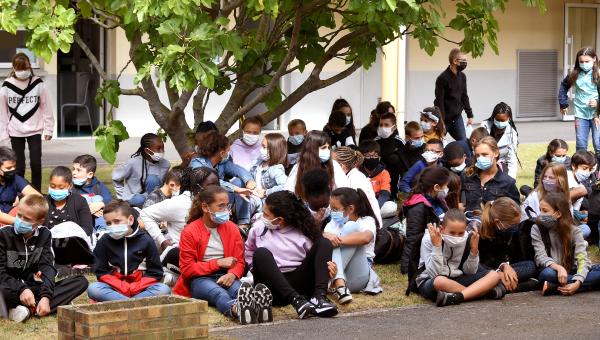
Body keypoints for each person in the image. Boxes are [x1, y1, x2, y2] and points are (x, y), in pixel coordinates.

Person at [173, 186, 271, 324]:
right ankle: (237, 310)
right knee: (219, 294)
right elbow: (187, 269)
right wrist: (218, 263)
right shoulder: (190, 231)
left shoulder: (231, 228)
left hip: (226, 274)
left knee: (239, 290)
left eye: (227, 206)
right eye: (221, 206)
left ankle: (256, 307)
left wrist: (232, 274)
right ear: (205, 207)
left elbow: (239, 261)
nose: (227, 211)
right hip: (199, 279)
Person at [246, 191, 338, 319]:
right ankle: (297, 301)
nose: (262, 217)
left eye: (266, 214)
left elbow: (315, 262)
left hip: (298, 281)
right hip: (272, 287)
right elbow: (249, 252)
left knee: (324, 243)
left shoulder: (304, 230)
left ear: (280, 220)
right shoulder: (258, 228)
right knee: (261, 253)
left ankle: (320, 298)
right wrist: (256, 269)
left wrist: (329, 273)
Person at [0, 195, 88, 323]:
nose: (20, 220)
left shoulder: (45, 235)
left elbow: (47, 267)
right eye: (19, 215)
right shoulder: (3, 235)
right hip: (9, 287)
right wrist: (21, 289)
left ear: (40, 221)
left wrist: (46, 296)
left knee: (80, 282)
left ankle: (28, 311)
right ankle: (55, 303)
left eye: (26, 219)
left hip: (32, 286)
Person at [140, 167, 220, 285]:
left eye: (217, 184)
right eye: (211, 185)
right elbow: (145, 214)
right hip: (184, 255)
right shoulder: (180, 204)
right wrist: (162, 241)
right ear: (197, 187)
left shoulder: (219, 202)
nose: (216, 189)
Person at [416, 209, 505, 307]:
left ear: (465, 229)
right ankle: (481, 293)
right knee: (440, 281)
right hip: (431, 281)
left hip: (456, 279)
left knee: (494, 275)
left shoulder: (467, 238)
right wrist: (437, 247)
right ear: (442, 229)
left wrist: (473, 251)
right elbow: (434, 274)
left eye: (460, 233)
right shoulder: (429, 239)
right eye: (452, 232)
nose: (457, 237)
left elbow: (470, 272)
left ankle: (457, 297)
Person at [87, 201, 170, 302]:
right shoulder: (104, 241)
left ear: (130, 220)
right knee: (93, 289)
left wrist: (136, 287)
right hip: (114, 288)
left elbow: (155, 272)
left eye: (117, 221)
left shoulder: (146, 240)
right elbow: (101, 271)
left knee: (163, 290)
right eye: (108, 223)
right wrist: (121, 286)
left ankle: (122, 303)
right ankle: (133, 304)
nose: (112, 226)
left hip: (140, 288)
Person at [0, 53, 54, 191]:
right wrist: (4, 136)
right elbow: (2, 114)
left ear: (29, 66)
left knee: (36, 163)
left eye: (24, 67)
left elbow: (46, 106)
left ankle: (36, 193)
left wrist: (49, 128)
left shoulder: (38, 83)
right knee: (19, 166)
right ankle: (18, 193)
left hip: (35, 130)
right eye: (19, 68)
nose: (22, 71)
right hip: (15, 131)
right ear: (13, 68)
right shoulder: (6, 86)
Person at [533, 192, 600, 296]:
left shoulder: (574, 231)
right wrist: (559, 268)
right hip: (552, 271)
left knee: (592, 269)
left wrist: (578, 282)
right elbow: (540, 257)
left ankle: (555, 287)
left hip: (572, 271)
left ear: (558, 214)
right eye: (540, 210)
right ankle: (588, 284)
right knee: (547, 274)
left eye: (545, 211)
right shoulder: (536, 228)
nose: (541, 214)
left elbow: (582, 259)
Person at [324, 188, 381, 304]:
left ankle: (333, 283)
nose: (332, 213)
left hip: (359, 274)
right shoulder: (332, 224)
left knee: (351, 227)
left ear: (350, 208)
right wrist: (324, 235)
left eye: (336, 209)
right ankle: (340, 287)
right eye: (331, 209)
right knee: (330, 240)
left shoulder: (366, 221)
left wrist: (335, 240)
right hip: (335, 271)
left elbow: (366, 238)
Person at [190, 131, 256, 228]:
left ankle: (243, 223)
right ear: (222, 153)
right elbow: (211, 183)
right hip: (201, 199)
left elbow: (238, 170)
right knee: (236, 187)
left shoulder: (222, 163)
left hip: (219, 197)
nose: (229, 153)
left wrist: (249, 180)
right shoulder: (197, 163)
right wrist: (235, 189)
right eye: (228, 150)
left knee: (239, 182)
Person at [478, 198, 538, 292]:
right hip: (482, 271)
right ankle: (504, 286)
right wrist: (498, 272)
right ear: (498, 222)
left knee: (530, 266)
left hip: (499, 269)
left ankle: (499, 286)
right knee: (532, 282)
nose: (516, 228)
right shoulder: (478, 231)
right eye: (513, 225)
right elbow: (476, 264)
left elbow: (500, 259)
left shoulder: (504, 231)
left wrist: (504, 266)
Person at [400, 167, 450, 276]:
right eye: (446, 186)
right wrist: (407, 267)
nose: (447, 189)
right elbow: (412, 238)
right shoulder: (418, 206)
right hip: (426, 251)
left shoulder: (439, 200)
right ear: (436, 187)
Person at [559, 46, 600, 158]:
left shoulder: (598, 74)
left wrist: (597, 102)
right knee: (581, 145)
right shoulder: (575, 74)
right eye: (581, 61)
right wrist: (563, 103)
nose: (584, 64)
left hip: (597, 115)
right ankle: (581, 171)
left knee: (598, 145)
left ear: (594, 59)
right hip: (581, 114)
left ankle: (598, 171)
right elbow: (564, 86)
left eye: (587, 61)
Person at [112, 133, 171, 208]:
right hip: (135, 198)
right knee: (140, 199)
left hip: (155, 198)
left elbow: (163, 185)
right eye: (158, 148)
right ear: (147, 151)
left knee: (153, 179)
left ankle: (152, 207)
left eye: (163, 148)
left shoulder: (165, 164)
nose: (162, 151)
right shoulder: (133, 163)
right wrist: (122, 197)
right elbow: (116, 177)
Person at [461, 136, 519, 212]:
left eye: (485, 154)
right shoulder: (467, 176)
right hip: (470, 220)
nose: (480, 158)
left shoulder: (507, 182)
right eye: (478, 155)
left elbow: (515, 211)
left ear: (496, 153)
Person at [285, 130, 349, 198]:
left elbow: (345, 191)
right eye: (323, 148)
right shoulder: (298, 167)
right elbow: (288, 193)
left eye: (328, 147)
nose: (327, 151)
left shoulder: (333, 165)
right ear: (312, 149)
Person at [334, 147, 382, 226]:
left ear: (340, 165)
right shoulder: (346, 177)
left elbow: (358, 209)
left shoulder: (357, 178)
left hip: (367, 226)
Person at [434, 48, 473, 141]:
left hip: (457, 118)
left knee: (463, 142)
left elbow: (464, 96)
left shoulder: (462, 77)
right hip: (444, 119)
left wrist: (470, 115)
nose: (465, 63)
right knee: (437, 142)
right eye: (463, 60)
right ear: (455, 61)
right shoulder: (442, 78)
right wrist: (441, 121)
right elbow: (439, 102)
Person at [71, 154, 112, 232]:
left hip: (98, 220)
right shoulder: (71, 187)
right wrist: (88, 210)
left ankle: (101, 231)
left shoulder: (98, 186)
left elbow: (109, 200)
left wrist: (99, 205)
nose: (74, 173)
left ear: (90, 174)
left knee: (98, 198)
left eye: (78, 170)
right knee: (85, 199)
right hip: (80, 223)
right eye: (73, 169)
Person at [0, 146, 39, 226]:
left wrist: (23, 202)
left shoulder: (15, 179)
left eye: (14, 166)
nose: (13, 170)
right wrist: (21, 223)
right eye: (8, 168)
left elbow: (38, 198)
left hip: (12, 218)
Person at [481, 102, 519, 179]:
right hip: (483, 161)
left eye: (503, 121)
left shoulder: (512, 134)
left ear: (509, 119)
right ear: (493, 117)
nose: (500, 123)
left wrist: (511, 178)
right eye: (498, 120)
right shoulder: (484, 126)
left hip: (501, 165)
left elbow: (512, 158)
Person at [375, 112, 408, 198]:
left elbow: (404, 166)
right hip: (378, 181)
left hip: (394, 180)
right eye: (381, 125)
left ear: (394, 127)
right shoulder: (375, 142)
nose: (383, 127)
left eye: (386, 125)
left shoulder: (399, 142)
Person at [566, 150, 595, 239]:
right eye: (584, 168)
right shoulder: (565, 177)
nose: (587, 172)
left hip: (568, 221)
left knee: (585, 229)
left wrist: (581, 215)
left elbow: (573, 212)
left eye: (590, 169)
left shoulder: (580, 185)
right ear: (574, 166)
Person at [250, 133, 288, 199]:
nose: (261, 149)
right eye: (261, 146)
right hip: (253, 196)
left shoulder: (276, 169)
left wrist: (266, 192)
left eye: (264, 147)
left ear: (274, 150)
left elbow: (284, 186)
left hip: (264, 201)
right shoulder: (258, 162)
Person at [358, 140, 394, 209]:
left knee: (390, 206)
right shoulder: (357, 173)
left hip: (378, 203)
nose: (371, 158)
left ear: (379, 157)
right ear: (362, 157)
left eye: (375, 155)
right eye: (367, 156)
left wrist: (375, 207)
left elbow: (385, 193)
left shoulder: (384, 173)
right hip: (362, 204)